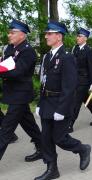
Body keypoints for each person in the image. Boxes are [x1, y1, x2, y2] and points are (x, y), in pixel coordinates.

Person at [35, 21, 91, 180]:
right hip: (47, 103)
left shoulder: (67, 58)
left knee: (59, 138)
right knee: (45, 138)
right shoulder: (47, 57)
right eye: (46, 33)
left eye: (49, 34)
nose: (46, 36)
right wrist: (40, 103)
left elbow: (69, 87)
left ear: (59, 37)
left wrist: (61, 109)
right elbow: (44, 82)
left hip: (60, 104)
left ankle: (82, 149)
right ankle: (52, 168)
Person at [0, 19, 42, 161]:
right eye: (9, 32)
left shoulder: (28, 51)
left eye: (12, 33)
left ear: (22, 35)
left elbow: (16, 72)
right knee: (29, 125)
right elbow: (5, 66)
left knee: (5, 130)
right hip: (13, 93)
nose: (9, 35)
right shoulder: (10, 48)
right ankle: (42, 147)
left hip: (20, 94)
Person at [69, 27, 92, 133]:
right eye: (77, 36)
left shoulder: (89, 50)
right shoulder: (75, 48)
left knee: (76, 101)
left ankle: (70, 124)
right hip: (75, 79)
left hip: (84, 80)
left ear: (85, 38)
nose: (77, 38)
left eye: (80, 36)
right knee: (85, 98)